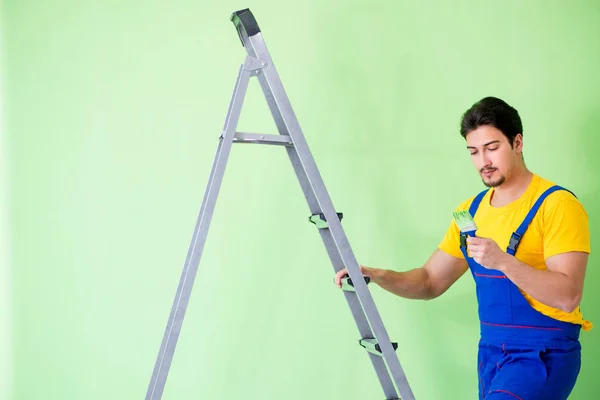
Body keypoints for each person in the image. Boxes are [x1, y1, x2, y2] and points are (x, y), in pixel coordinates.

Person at [335, 96, 592, 400]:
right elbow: (430, 281)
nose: (483, 161)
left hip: (543, 354)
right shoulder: (469, 212)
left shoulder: (557, 205)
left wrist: (503, 261)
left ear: (518, 142)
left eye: (492, 148)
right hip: (492, 354)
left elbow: (568, 296)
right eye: (474, 151)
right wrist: (377, 275)